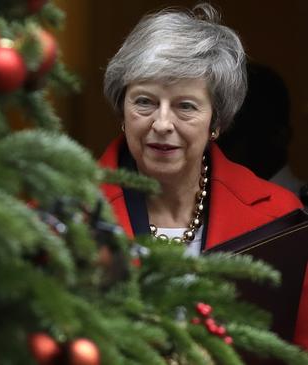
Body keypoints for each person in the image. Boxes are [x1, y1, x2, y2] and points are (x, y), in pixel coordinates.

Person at [97, 3, 307, 348]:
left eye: (185, 106)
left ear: (217, 122)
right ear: (123, 109)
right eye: (145, 102)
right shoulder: (67, 209)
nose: (162, 124)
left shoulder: (279, 217)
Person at [218, 62, 308, 207]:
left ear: (280, 135)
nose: (220, 148)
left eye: (237, 133)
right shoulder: (210, 209)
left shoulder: (301, 213)